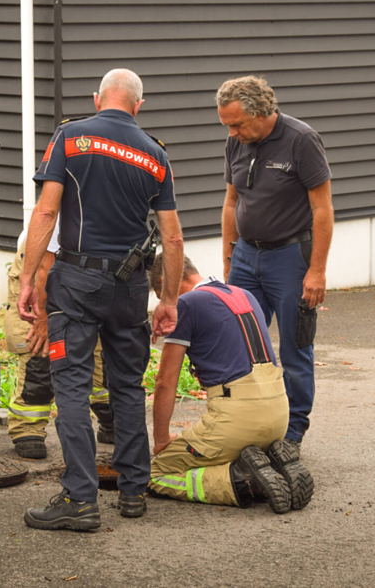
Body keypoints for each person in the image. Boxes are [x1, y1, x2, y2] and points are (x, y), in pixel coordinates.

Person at [18, 68, 185, 531]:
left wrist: (29, 277)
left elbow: (47, 210)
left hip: (76, 280)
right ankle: (133, 491)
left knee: (70, 386)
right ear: (138, 105)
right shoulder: (156, 154)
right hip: (130, 288)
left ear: (97, 99)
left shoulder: (71, 138)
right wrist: (168, 299)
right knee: (127, 386)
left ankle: (79, 498)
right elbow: (172, 240)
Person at [147, 253, 314, 514]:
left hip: (237, 419)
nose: (164, 304)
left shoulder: (185, 305)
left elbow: (164, 384)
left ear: (165, 281)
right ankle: (270, 463)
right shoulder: (243, 294)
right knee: (224, 446)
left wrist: (160, 440)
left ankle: (244, 479)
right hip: (280, 414)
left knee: (158, 472)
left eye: (161, 295)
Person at [218, 75, 334, 446]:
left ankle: (293, 429)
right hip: (246, 256)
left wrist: (316, 270)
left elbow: (322, 209)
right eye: (227, 125)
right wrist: (228, 257)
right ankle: (244, 420)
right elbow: (231, 202)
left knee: (295, 348)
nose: (232, 132)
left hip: (290, 258)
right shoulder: (235, 142)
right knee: (239, 341)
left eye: (236, 123)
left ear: (261, 112)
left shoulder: (301, 140)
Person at [3, 224, 113, 460]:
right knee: (41, 348)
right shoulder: (70, 202)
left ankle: (110, 416)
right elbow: (45, 264)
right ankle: (28, 428)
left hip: (95, 265)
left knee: (101, 350)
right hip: (45, 259)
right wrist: (43, 316)